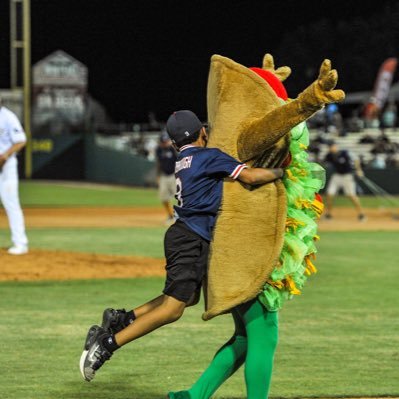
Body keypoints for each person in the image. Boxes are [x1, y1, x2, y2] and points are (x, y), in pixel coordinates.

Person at [79, 110, 284, 382]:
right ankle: (106, 345)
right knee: (173, 309)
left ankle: (122, 318)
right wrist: (283, 170)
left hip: (183, 234)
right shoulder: (209, 156)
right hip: (191, 237)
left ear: (175, 143)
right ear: (203, 133)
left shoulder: (184, 159)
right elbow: (250, 177)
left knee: (189, 298)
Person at [0, 99, 29, 255]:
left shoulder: (7, 117)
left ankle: (20, 243)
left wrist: (5, 155)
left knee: (11, 203)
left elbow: (21, 141)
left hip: (6, 167)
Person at [323, 142, 366, 221]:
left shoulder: (345, 153)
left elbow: (356, 159)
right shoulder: (329, 155)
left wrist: (359, 170)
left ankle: (361, 214)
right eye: (329, 147)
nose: (331, 148)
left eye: (332, 146)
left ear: (336, 146)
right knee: (329, 194)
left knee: (351, 195)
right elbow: (323, 163)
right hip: (337, 176)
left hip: (347, 176)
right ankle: (328, 214)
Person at [155, 132, 178, 223]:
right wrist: (158, 176)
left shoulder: (173, 149)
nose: (164, 143)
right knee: (163, 198)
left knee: (179, 197)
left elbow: (179, 159)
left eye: (166, 141)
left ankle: (179, 216)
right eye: (163, 142)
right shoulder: (158, 150)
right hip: (164, 176)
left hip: (174, 175)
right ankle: (170, 215)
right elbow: (158, 164)